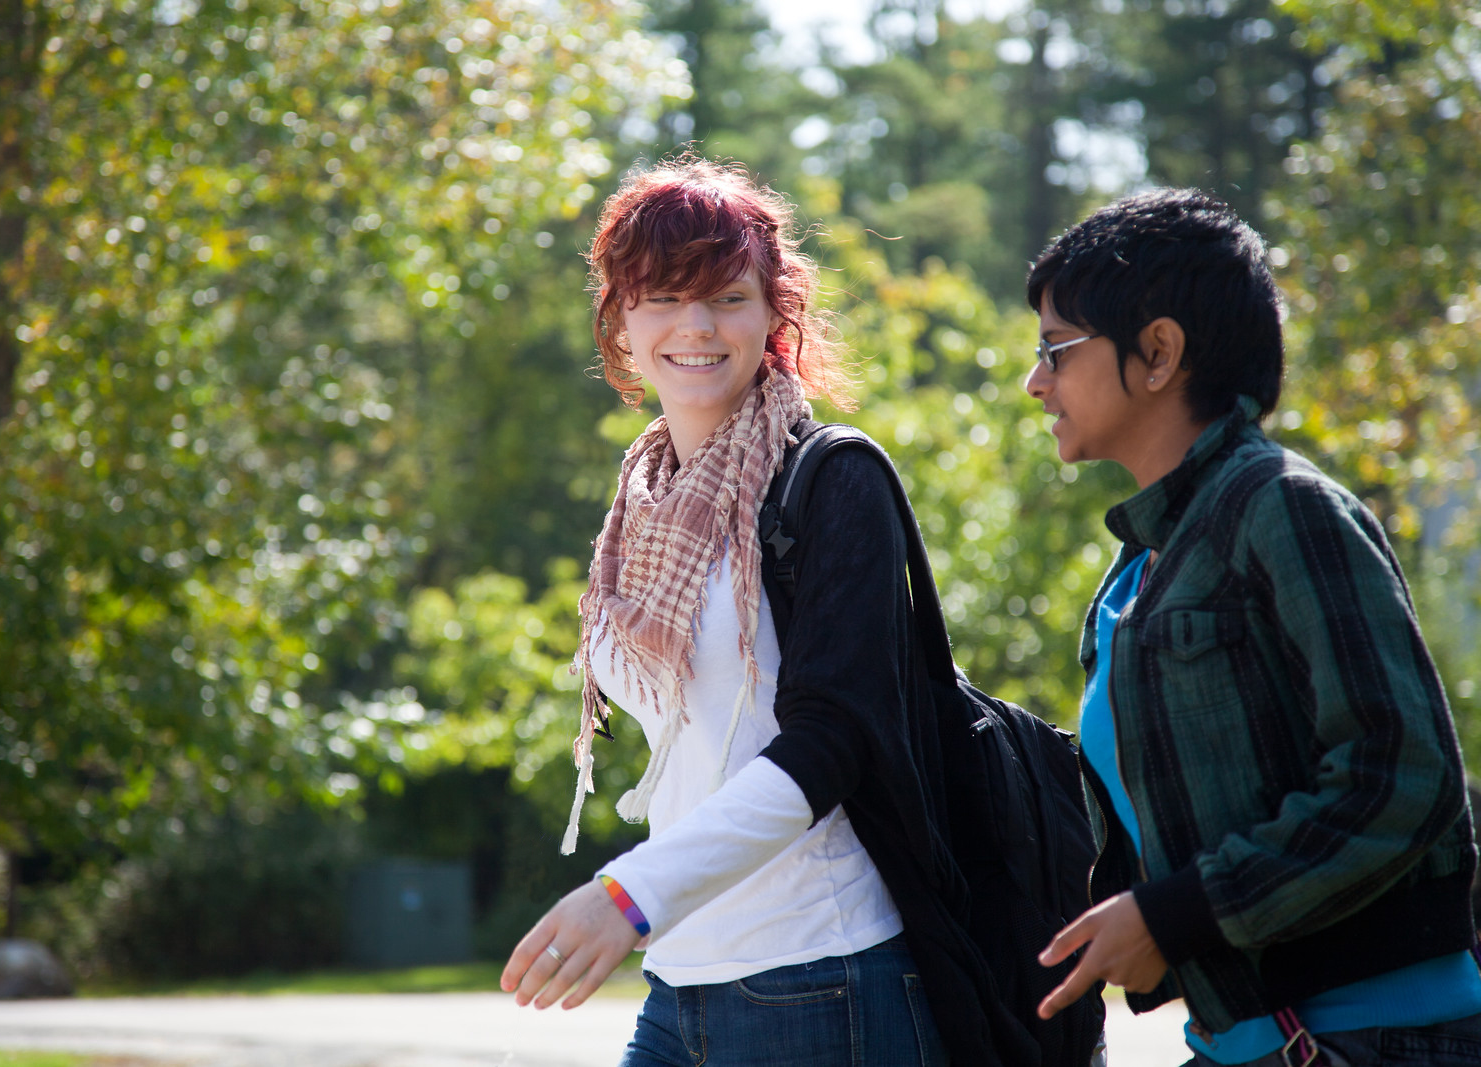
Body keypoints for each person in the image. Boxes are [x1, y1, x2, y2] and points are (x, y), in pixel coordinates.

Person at [498, 157, 977, 1065]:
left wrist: (629, 894)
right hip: (682, 978)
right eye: (662, 297)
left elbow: (832, 741)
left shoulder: (831, 481)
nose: (696, 326)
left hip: (822, 976)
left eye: (727, 296)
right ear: (619, 320)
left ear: (773, 314)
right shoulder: (642, 502)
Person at [1023, 187, 1481, 1066]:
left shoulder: (1285, 508)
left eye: (1056, 349)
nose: (1035, 380)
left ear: (1158, 352)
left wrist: (1177, 914)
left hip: (1371, 1041)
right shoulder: (1137, 569)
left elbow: (1402, 776)